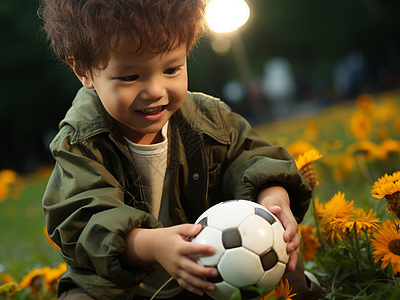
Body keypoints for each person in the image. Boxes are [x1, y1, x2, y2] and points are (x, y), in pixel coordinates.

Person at [40, 0, 324, 299]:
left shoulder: (208, 117)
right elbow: (83, 219)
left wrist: (273, 202)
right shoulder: (81, 143)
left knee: (284, 266)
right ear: (83, 70)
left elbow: (252, 159)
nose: (156, 91)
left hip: (217, 271)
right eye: (130, 77)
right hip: (124, 287)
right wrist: (153, 245)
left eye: (171, 69)